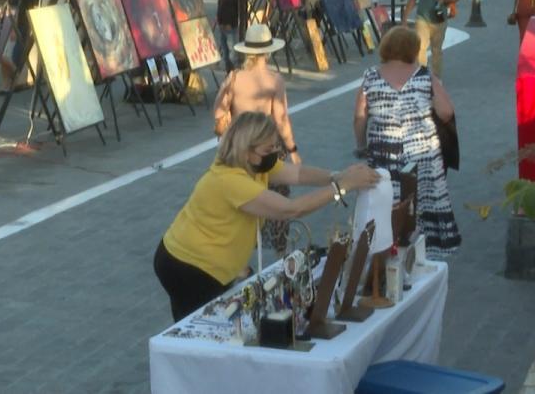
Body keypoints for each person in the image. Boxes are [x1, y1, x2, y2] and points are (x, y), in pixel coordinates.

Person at [154, 111, 381, 321]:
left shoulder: (255, 166)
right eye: (268, 150)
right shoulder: (229, 180)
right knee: (200, 329)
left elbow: (297, 174)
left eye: (275, 147)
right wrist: (343, 186)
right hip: (188, 266)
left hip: (206, 264)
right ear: (247, 151)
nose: (274, 154)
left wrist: (337, 175)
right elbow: (292, 209)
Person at [353, 26, 460, 257]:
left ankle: (384, 250)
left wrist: (361, 146)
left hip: (383, 153)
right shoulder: (424, 76)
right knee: (419, 203)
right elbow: (447, 112)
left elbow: (359, 117)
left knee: (385, 204)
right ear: (413, 49)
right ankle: (421, 255)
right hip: (422, 154)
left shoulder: (371, 76)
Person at [214, 24, 301, 164]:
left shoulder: (234, 77)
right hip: (264, 146)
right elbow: (281, 120)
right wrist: (293, 149)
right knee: (270, 184)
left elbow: (218, 113)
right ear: (268, 52)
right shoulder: (274, 80)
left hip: (239, 145)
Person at [401, 0, 459, 79]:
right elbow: (412, 0)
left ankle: (437, 78)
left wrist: (444, 0)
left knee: (436, 51)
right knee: (420, 48)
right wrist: (404, 18)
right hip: (422, 19)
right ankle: (422, 76)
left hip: (439, 21)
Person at [0, 0, 45, 93]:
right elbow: (16, 6)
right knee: (14, 53)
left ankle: (12, 81)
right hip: (21, 24)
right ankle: (15, 78)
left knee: (17, 52)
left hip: (21, 23)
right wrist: (13, 27)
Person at [215, 0, 239, 71]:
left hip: (230, 26)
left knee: (232, 52)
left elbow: (237, 9)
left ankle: (234, 71)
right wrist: (218, 19)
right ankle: (228, 70)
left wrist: (231, 23)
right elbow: (221, 5)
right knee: (225, 51)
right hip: (222, 25)